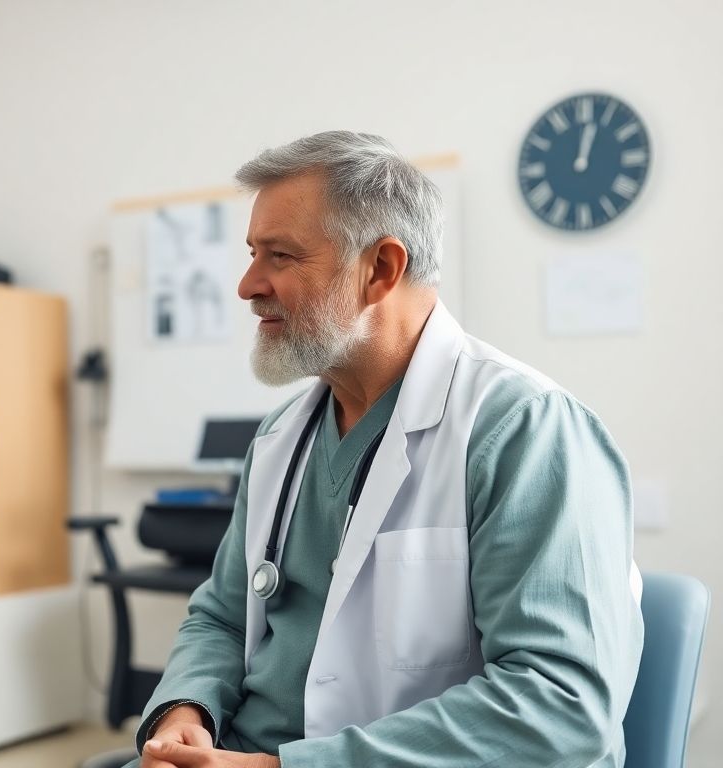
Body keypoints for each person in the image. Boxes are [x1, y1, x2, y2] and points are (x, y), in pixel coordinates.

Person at [132, 132, 643, 768]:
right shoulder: (281, 437)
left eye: (281, 256)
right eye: (251, 253)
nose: (246, 284)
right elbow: (221, 616)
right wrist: (187, 709)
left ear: (381, 268)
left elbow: (562, 706)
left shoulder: (526, 430)